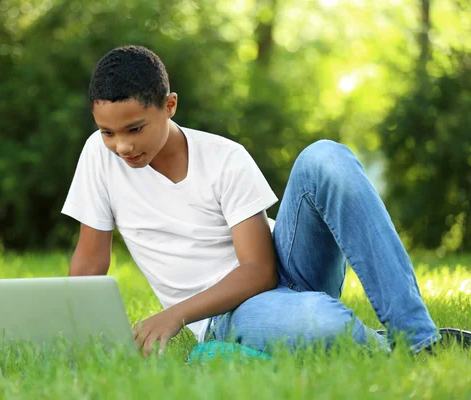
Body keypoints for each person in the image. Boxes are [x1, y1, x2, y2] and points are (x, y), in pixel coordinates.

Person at [62, 45, 445, 358]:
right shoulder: (100, 155)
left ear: (170, 105)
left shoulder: (224, 157)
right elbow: (91, 260)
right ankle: (366, 342)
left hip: (283, 271)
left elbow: (260, 270)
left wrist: (173, 316)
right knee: (321, 322)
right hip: (228, 314)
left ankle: (419, 341)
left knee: (326, 157)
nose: (122, 145)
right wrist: (66, 332)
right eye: (108, 132)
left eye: (135, 128)